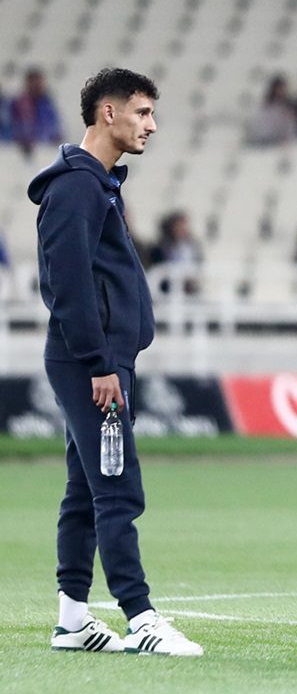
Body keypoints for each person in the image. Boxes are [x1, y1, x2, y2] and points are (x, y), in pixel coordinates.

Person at [30, 68, 202, 656]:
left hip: (99, 359)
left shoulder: (96, 185)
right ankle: (141, 616)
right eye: (142, 112)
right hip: (92, 364)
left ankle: (73, 622)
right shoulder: (77, 188)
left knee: (86, 490)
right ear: (109, 113)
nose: (151, 125)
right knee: (118, 487)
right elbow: (68, 284)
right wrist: (99, 361)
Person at [148, 210, 203, 295]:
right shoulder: (160, 248)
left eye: (184, 226)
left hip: (189, 291)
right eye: (179, 226)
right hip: (167, 292)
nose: (182, 229)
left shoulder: (192, 246)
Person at [10, 68, 63, 158]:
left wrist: (55, 137)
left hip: (44, 148)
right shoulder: (18, 103)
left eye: (38, 82)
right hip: (21, 149)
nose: (35, 86)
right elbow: (13, 125)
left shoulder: (47, 104)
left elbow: (54, 126)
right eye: (33, 82)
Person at [245, 74, 297, 146]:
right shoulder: (267, 106)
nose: (280, 91)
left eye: (282, 89)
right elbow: (260, 124)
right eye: (278, 89)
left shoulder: (289, 107)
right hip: (266, 139)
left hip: (284, 142)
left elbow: (292, 128)